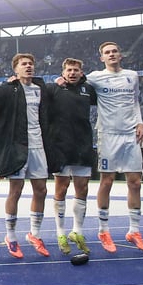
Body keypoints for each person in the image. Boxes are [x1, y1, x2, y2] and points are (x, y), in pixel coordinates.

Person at [0, 53, 60, 259]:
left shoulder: (40, 88)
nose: (28, 67)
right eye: (24, 64)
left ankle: (35, 234)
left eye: (31, 64)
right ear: (15, 69)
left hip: (39, 145)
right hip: (17, 146)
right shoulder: (8, 90)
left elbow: (60, 94)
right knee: (15, 190)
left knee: (41, 189)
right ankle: (11, 236)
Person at [86, 41, 143, 252]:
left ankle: (134, 230)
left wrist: (140, 121)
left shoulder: (132, 75)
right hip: (108, 134)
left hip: (130, 133)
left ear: (120, 55)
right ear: (102, 58)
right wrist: (59, 80)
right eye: (107, 52)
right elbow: (74, 81)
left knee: (135, 182)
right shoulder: (95, 77)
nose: (111, 54)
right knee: (107, 181)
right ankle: (104, 230)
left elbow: (135, 101)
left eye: (114, 51)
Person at [44, 57, 96, 255]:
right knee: (61, 188)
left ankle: (77, 231)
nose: (72, 73)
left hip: (82, 145)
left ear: (81, 72)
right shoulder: (53, 89)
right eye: (69, 70)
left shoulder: (89, 90)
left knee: (82, 188)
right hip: (60, 146)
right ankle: (60, 233)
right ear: (63, 72)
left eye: (76, 70)